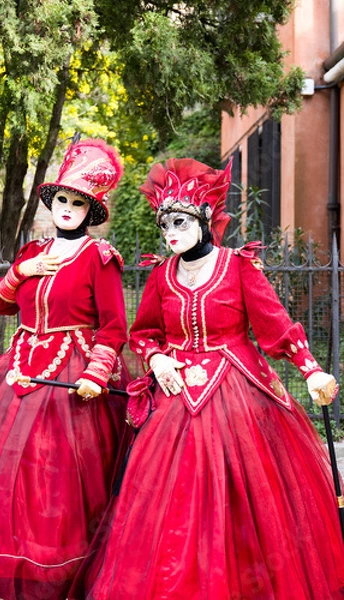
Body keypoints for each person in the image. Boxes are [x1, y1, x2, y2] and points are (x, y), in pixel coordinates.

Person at [73, 156, 344, 599]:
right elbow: (142, 333)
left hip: (239, 393)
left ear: (203, 218)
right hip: (176, 398)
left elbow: (277, 328)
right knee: (171, 495)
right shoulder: (161, 275)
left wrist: (311, 371)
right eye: (164, 226)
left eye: (179, 222)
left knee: (249, 493)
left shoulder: (238, 269)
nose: (170, 234)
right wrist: (158, 359)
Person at [0, 136, 130, 599]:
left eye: (78, 202)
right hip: (20, 369)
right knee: (3, 472)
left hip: (71, 376)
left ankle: (57, 571)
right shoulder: (31, 253)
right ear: (52, 204)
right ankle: (1, 562)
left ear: (91, 210)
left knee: (55, 477)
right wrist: (20, 274)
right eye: (62, 199)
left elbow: (114, 327)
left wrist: (96, 372)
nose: (67, 207)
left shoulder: (98, 258)